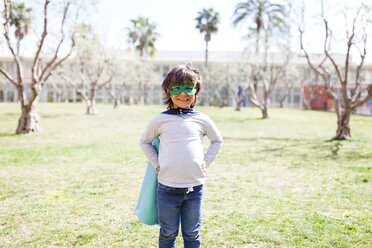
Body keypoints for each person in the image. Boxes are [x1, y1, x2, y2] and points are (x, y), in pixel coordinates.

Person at [139, 64, 223, 248]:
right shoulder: (160, 120)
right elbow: (144, 141)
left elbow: (217, 140)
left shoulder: (202, 119)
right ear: (168, 91)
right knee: (168, 233)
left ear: (196, 91)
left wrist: (206, 162)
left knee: (192, 234)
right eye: (177, 88)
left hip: (195, 188)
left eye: (188, 88)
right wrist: (156, 162)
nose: (183, 94)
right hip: (167, 189)